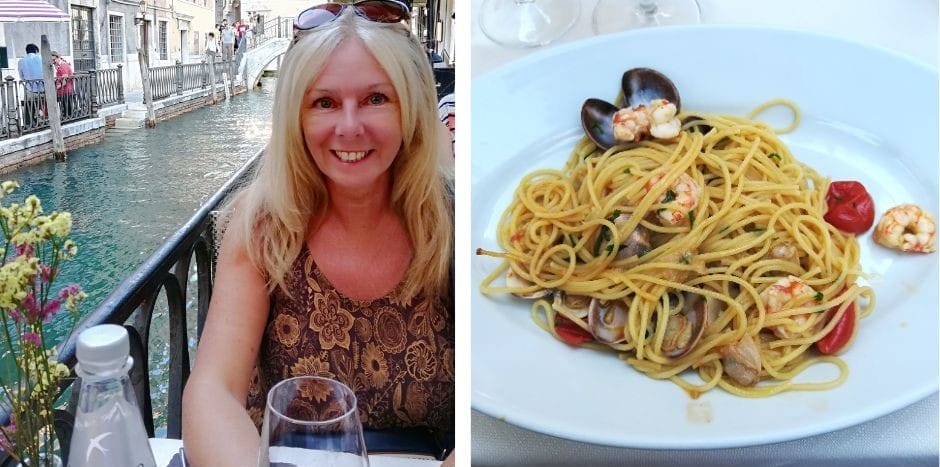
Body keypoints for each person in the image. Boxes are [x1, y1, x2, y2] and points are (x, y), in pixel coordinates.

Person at [182, 2, 455, 466]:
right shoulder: (262, 226)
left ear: (411, 108)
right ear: (296, 118)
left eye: (375, 99)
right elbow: (212, 390)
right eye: (325, 103)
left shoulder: (452, 220)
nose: (349, 127)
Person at [18, 43, 43, 128]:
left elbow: (21, 77)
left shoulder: (21, 61)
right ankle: (41, 122)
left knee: (29, 108)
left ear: (26, 51)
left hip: (30, 88)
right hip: (43, 88)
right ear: (36, 51)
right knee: (42, 105)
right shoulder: (41, 58)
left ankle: (29, 125)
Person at [51, 51, 75, 119]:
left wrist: (57, 87)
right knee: (66, 109)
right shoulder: (61, 66)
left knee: (67, 110)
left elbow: (65, 80)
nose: (53, 62)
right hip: (64, 91)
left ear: (58, 58)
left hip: (66, 91)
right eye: (52, 60)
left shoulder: (63, 66)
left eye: (54, 60)